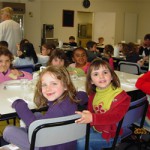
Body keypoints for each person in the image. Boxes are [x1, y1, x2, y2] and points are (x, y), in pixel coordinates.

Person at [3, 65, 88, 150]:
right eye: (44, 85)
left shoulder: (57, 110)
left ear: (66, 85)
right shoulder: (71, 99)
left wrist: (19, 104)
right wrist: (75, 93)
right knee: (37, 114)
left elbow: (35, 127)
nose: (48, 88)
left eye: (54, 83)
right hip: (66, 143)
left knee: (9, 131)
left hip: (46, 146)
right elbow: (84, 96)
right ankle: (26, 133)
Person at [75, 59, 131, 150]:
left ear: (112, 76)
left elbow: (115, 117)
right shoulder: (94, 95)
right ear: (91, 81)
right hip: (96, 128)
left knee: (81, 142)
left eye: (105, 72)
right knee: (74, 136)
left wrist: (93, 118)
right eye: (96, 74)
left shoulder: (121, 97)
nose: (101, 76)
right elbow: (91, 110)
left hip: (111, 135)